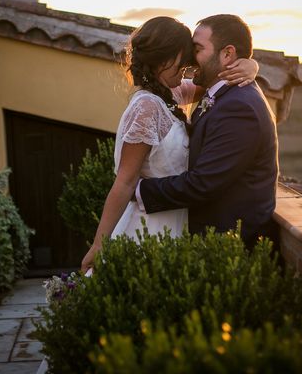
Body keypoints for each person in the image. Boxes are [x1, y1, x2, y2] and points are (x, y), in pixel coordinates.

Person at [80, 16, 258, 272]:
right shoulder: (146, 107)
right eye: (183, 58)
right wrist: (99, 243)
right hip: (150, 226)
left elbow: (216, 80)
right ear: (163, 59)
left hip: (176, 219)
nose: (189, 64)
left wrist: (251, 65)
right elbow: (125, 181)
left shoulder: (171, 92)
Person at [137, 14, 279, 250]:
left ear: (227, 54)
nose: (189, 58)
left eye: (197, 49)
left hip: (228, 248)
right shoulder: (221, 94)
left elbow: (203, 183)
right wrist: (251, 64)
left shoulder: (239, 106)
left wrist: (139, 190)